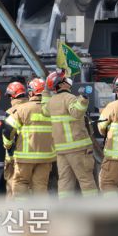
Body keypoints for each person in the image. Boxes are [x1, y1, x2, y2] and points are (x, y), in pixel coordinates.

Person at [42, 70, 98, 198]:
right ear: (61, 84)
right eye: (65, 79)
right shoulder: (69, 98)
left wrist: (45, 90)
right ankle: (93, 207)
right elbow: (76, 113)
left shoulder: (51, 102)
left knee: (65, 182)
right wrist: (83, 99)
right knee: (86, 180)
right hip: (78, 149)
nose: (68, 80)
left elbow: (44, 110)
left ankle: (64, 208)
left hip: (61, 151)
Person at [3, 78, 55, 198]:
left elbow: (8, 130)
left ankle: (22, 209)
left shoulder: (22, 109)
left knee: (20, 183)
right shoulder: (52, 110)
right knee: (41, 186)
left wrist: (8, 145)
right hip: (46, 157)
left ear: (31, 92)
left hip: (24, 157)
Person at [3, 81, 28, 198]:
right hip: (33, 156)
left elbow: (7, 134)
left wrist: (7, 147)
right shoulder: (31, 108)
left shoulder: (9, 112)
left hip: (13, 156)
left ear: (12, 96)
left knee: (12, 184)